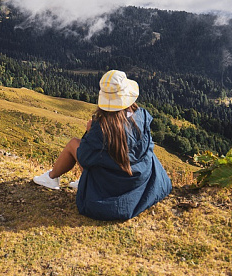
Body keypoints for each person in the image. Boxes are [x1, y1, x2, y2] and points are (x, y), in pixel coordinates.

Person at [32, 70, 172, 220]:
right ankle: (81, 181)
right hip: (140, 180)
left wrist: (88, 133)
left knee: (74, 144)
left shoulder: (101, 130)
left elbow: (84, 157)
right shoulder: (141, 116)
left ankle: (52, 178)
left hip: (112, 188)